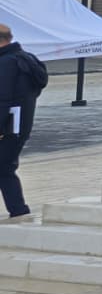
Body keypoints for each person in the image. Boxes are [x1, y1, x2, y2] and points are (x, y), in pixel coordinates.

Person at [0, 23, 48, 220]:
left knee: (4, 168)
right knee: (5, 167)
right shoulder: (28, 58)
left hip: (7, 125)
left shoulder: (6, 63)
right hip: (20, 125)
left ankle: (19, 210)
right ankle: (18, 209)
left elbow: (2, 99)